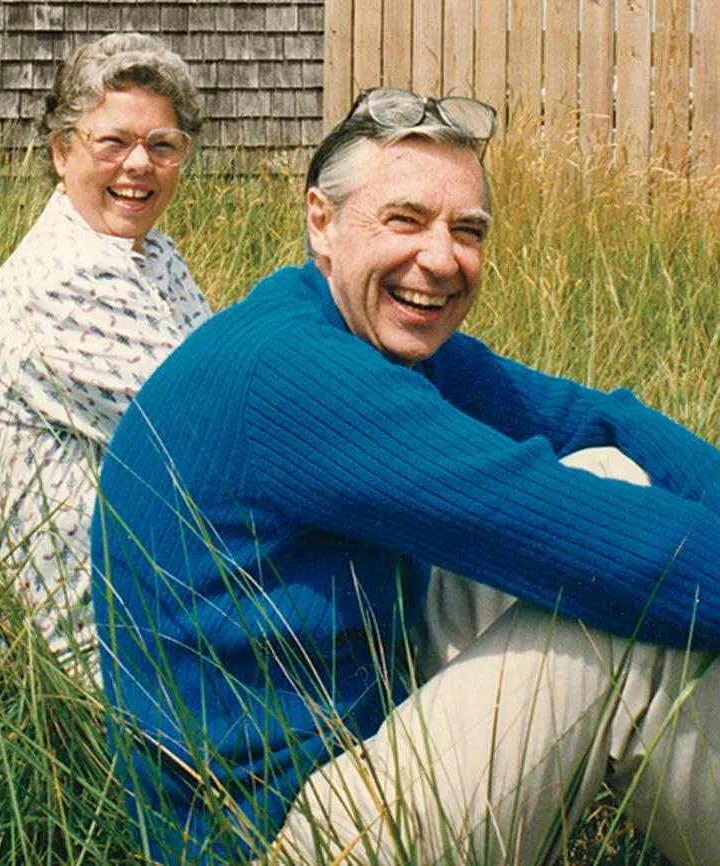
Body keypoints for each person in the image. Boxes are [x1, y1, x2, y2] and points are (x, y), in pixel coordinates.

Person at [91, 87, 720, 865]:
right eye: (405, 219)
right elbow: (624, 552)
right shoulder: (299, 374)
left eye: (468, 230)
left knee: (607, 472)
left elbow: (597, 419)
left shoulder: (349, 324)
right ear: (322, 221)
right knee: (623, 612)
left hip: (355, 739)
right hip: (277, 839)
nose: (441, 257)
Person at [0, 33, 211, 679]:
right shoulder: (64, 281)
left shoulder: (148, 253)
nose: (138, 165)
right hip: (112, 660)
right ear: (62, 152)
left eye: (162, 145)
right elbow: (220, 447)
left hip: (166, 593)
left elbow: (221, 376)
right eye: (112, 142)